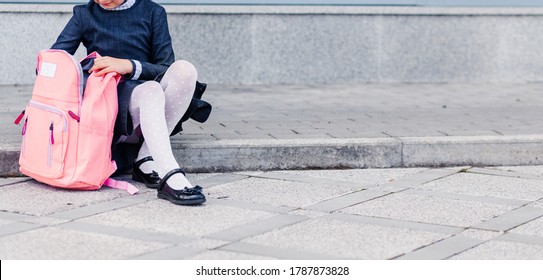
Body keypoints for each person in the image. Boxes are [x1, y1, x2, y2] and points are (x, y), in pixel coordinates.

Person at [51, 0, 211, 206]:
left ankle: (144, 158)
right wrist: (87, 68)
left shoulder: (153, 12)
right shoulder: (84, 14)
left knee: (185, 69)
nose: (101, 0)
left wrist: (128, 66)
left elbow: (164, 66)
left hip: (150, 102)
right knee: (151, 90)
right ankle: (170, 175)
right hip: (110, 104)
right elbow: (57, 59)